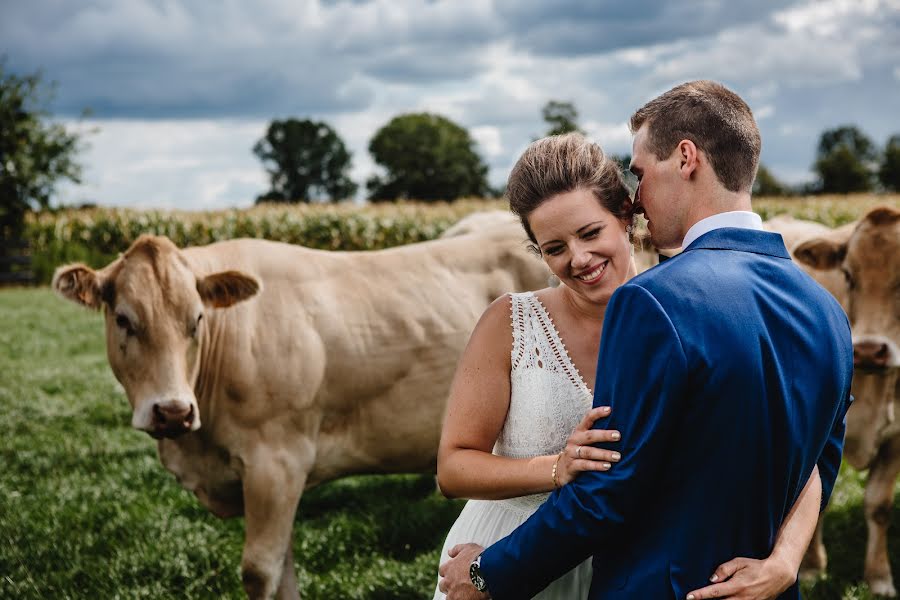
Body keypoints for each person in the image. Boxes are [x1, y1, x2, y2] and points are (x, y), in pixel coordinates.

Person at [437, 81, 852, 600]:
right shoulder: (828, 311)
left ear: (686, 158)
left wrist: (487, 574)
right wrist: (785, 558)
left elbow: (611, 492)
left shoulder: (653, 301)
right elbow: (821, 453)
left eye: (638, 173)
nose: (637, 195)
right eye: (554, 247)